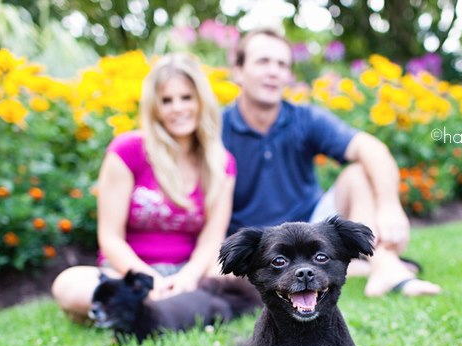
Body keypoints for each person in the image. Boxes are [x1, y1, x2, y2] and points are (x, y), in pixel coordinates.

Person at [222, 28, 441, 297]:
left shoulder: (305, 118)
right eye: (263, 61)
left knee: (358, 173)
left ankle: (384, 267)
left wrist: (389, 205)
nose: (274, 71)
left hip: (310, 227)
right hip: (256, 240)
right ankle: (363, 267)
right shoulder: (217, 127)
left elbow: (372, 148)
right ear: (238, 70)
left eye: (282, 64)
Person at [52, 52, 236, 321]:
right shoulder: (127, 151)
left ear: (201, 101)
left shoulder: (221, 163)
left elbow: (212, 236)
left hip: (189, 272)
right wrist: (146, 279)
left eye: (186, 97)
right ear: (154, 107)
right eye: (166, 100)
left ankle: (155, 309)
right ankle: (171, 307)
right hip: (128, 275)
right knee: (67, 284)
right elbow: (110, 237)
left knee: (239, 272)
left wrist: (189, 275)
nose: (177, 108)